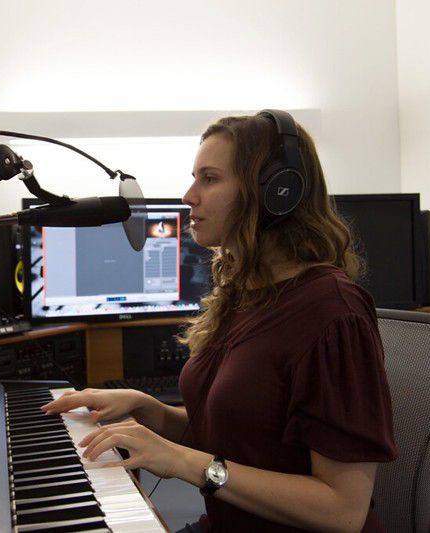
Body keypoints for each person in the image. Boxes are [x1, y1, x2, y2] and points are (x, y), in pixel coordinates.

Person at [41, 110, 398, 532]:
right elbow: (235, 436)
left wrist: (184, 462)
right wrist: (146, 407)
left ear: (275, 194)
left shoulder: (331, 312)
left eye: (209, 179)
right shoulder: (247, 294)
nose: (189, 196)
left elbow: (342, 511)